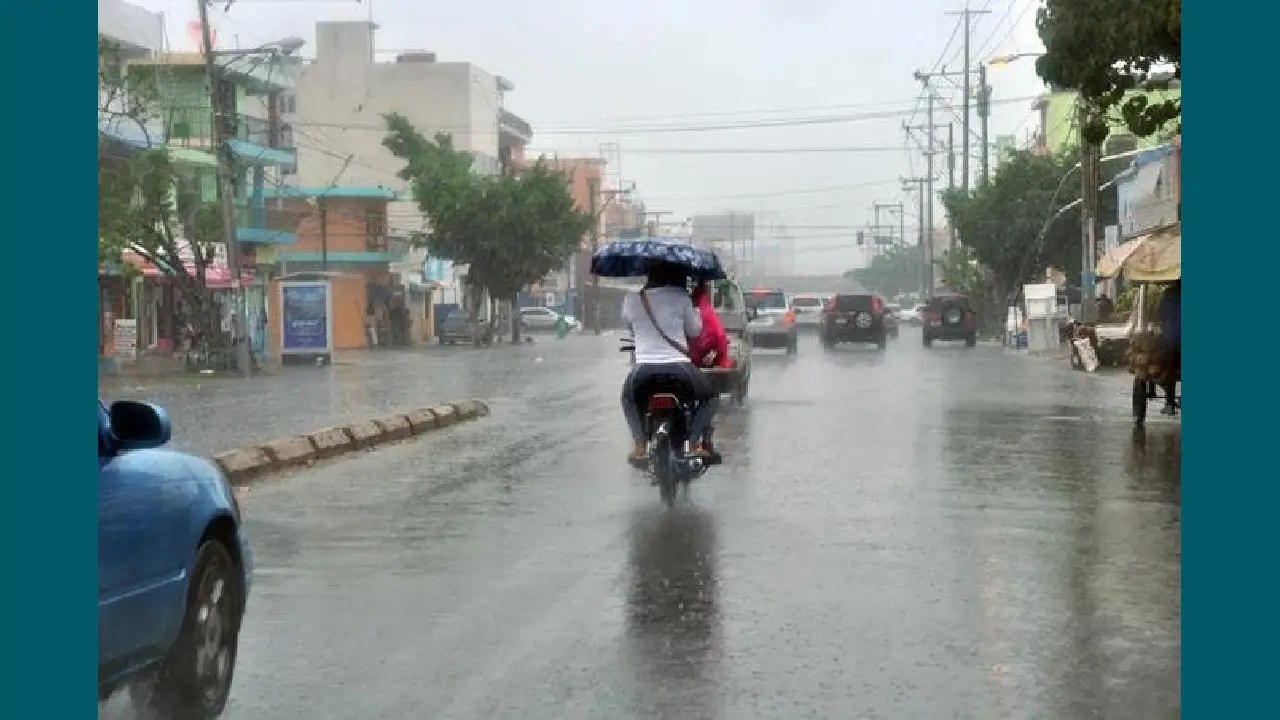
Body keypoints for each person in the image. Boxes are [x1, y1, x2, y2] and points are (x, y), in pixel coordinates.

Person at [619, 261, 718, 462]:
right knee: (711, 397)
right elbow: (695, 331)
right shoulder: (680, 297)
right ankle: (694, 442)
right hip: (680, 368)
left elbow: (631, 327)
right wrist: (695, 311)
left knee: (628, 398)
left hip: (642, 370)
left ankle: (639, 444)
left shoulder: (631, 299)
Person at [1157, 279, 1181, 414]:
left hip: (1171, 337)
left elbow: (1162, 314)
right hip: (1173, 336)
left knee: (1169, 370)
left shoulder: (1169, 294)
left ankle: (1170, 403)